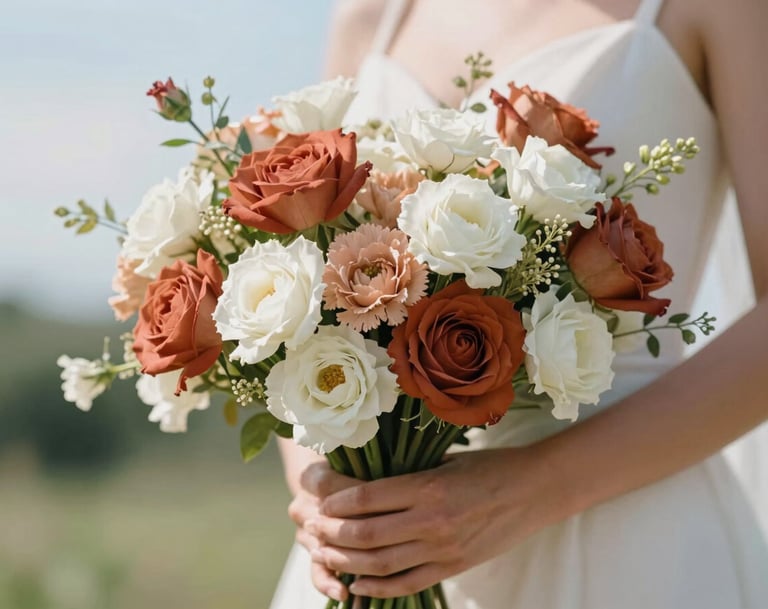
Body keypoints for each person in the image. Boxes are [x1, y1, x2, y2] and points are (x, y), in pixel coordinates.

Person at [271, 0, 768, 606]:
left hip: (628, 542)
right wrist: (331, 502)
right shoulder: (368, 16)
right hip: (376, 547)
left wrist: (531, 490)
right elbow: (300, 277)